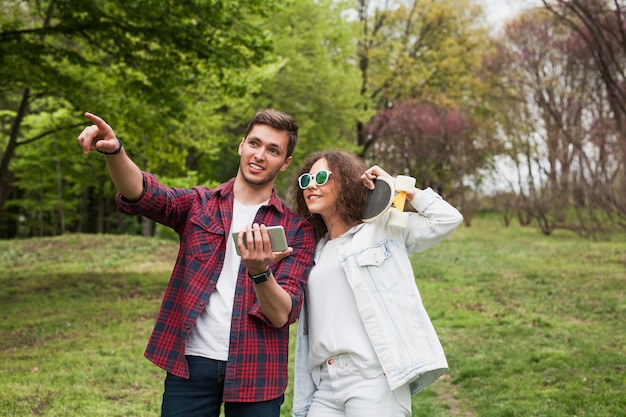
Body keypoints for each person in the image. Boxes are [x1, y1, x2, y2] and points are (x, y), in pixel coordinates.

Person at [76, 110, 316, 417]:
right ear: (241, 145)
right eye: (254, 143)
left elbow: (282, 314)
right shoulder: (199, 205)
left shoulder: (297, 229)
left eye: (273, 150)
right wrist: (115, 151)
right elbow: (144, 194)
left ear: (285, 163)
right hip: (191, 365)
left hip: (257, 369)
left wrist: (260, 272)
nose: (260, 155)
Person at [290, 150, 463, 417]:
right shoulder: (315, 249)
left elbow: (447, 219)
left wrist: (398, 186)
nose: (311, 185)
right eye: (306, 180)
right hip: (325, 383)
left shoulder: (381, 229)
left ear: (346, 182)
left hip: (373, 380)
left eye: (321, 177)